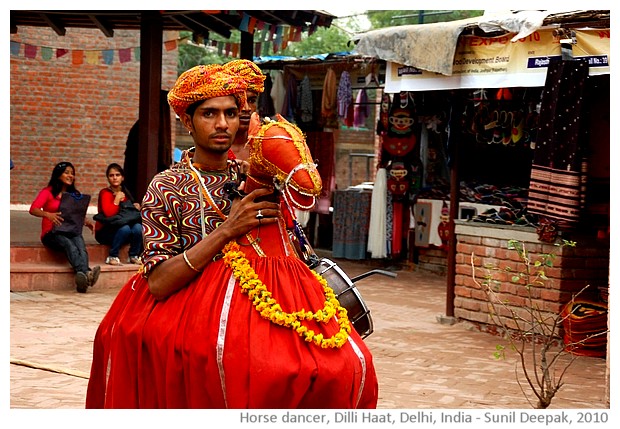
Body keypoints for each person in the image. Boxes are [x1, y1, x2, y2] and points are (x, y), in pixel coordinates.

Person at [86, 62, 378, 408]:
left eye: (231, 113)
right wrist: (228, 230)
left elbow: (291, 248)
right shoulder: (167, 186)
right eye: (209, 113)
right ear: (187, 121)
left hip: (253, 305)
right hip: (183, 307)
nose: (223, 123)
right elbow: (159, 283)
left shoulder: (255, 174)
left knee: (340, 364)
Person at [29, 161, 101, 293]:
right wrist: (48, 214)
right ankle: (87, 273)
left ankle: (82, 280)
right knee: (70, 245)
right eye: (67, 172)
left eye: (72, 173)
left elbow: (75, 214)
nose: (70, 176)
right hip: (52, 233)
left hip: (70, 230)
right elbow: (33, 209)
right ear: (58, 175)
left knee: (81, 247)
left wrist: (87, 222)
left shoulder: (75, 194)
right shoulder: (48, 192)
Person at [94, 163, 143, 265]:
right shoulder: (105, 193)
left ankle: (134, 255)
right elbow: (109, 213)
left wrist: (135, 207)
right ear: (108, 178)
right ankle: (113, 256)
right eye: (111, 175)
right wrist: (116, 200)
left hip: (123, 230)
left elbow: (128, 214)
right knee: (125, 228)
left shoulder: (126, 193)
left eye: (117, 175)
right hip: (105, 231)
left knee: (138, 227)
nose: (114, 178)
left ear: (122, 177)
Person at [225, 59, 266, 162]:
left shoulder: (268, 145)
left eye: (252, 100)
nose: (246, 108)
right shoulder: (210, 148)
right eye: (239, 100)